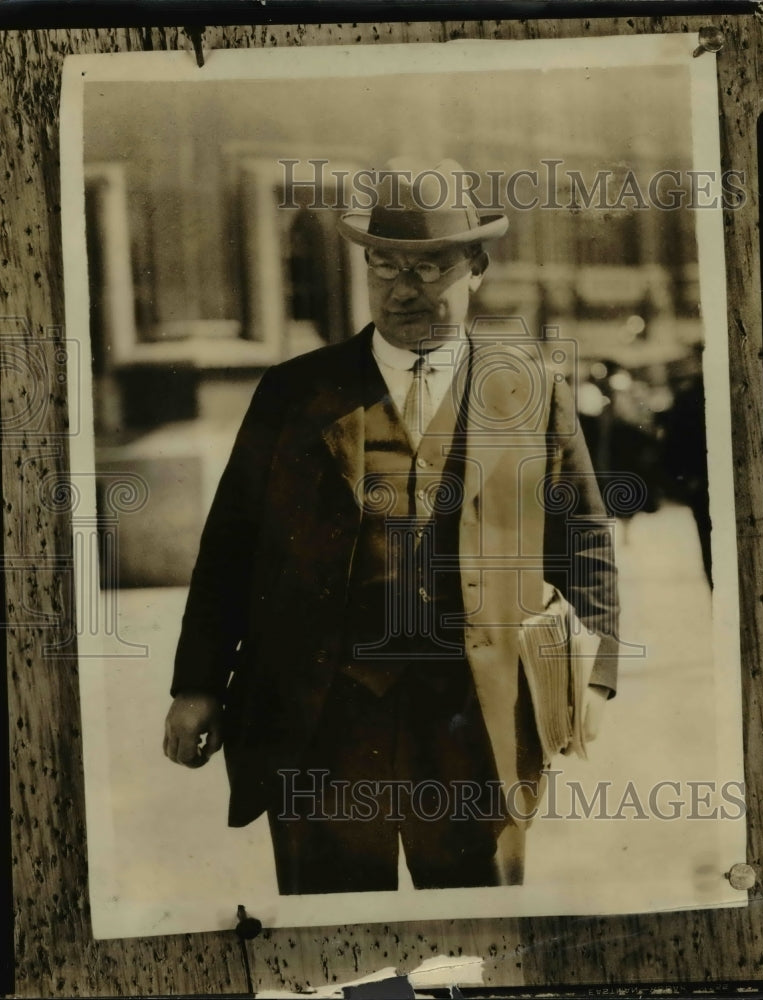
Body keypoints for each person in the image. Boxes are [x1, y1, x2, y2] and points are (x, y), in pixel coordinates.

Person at [163, 159, 619, 894]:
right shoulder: (293, 393)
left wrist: (589, 684)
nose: (403, 287)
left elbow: (585, 544)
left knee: (475, 946)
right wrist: (196, 685)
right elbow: (230, 546)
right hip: (323, 722)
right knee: (336, 946)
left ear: (476, 267)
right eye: (384, 264)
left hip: (476, 723)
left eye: (430, 265)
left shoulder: (531, 390)